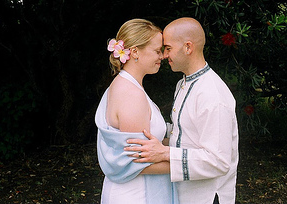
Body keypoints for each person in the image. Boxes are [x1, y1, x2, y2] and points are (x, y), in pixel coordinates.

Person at [124, 17, 239, 204]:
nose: (163, 55)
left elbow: (218, 161)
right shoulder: (182, 84)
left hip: (207, 197)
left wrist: (164, 153)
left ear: (188, 47)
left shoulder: (213, 95)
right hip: (184, 193)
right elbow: (185, 133)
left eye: (168, 48)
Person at [95, 18, 179, 204]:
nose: (162, 56)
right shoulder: (131, 94)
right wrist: (187, 165)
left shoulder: (128, 86)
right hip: (136, 194)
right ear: (134, 52)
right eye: (157, 51)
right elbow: (136, 161)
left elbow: (148, 144)